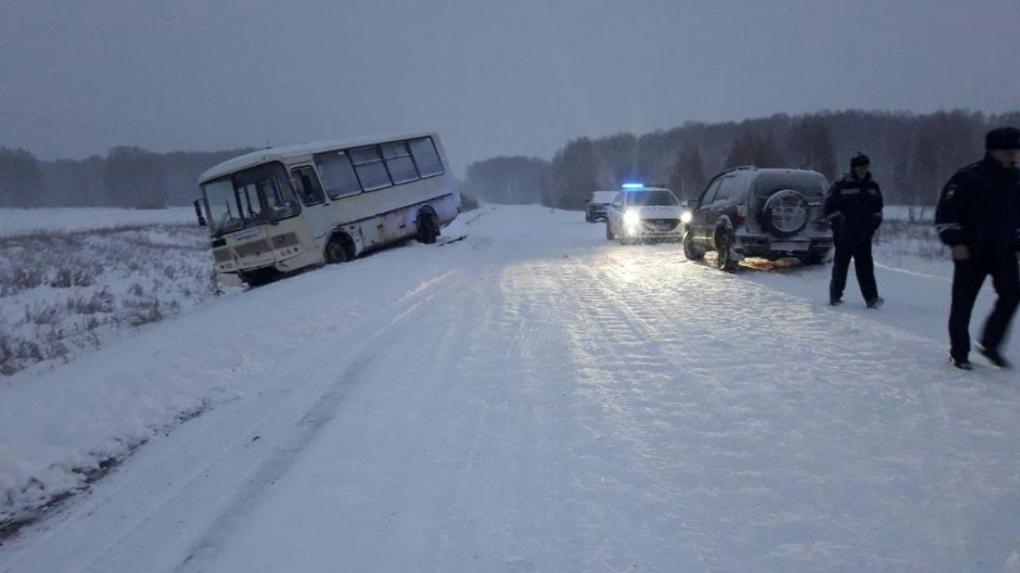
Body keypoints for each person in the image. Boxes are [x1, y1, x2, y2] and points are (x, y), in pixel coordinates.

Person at [934, 126, 1020, 370]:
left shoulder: (1016, 179)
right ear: (993, 151)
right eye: (1007, 151)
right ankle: (959, 353)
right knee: (963, 303)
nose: (1012, 156)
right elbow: (945, 213)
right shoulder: (968, 177)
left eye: (1014, 151)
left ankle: (990, 343)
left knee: (1012, 294)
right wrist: (956, 242)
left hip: (1003, 251)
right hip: (970, 251)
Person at [824, 152, 884, 308]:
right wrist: (838, 224)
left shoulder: (872, 185)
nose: (863, 170)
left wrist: (874, 223)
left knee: (866, 268)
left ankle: (872, 299)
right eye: (860, 167)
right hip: (844, 235)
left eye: (865, 166)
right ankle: (835, 297)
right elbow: (829, 207)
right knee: (840, 267)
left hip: (864, 234)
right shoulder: (842, 183)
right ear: (853, 168)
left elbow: (878, 208)